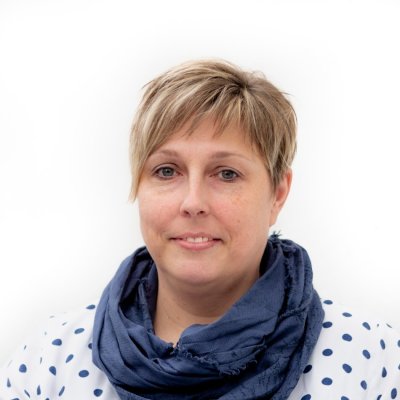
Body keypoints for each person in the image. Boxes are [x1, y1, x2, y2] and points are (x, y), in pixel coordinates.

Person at [1, 59, 399, 400]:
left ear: (278, 194)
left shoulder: (372, 359)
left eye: (226, 174)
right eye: (166, 171)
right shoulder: (48, 360)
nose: (193, 202)